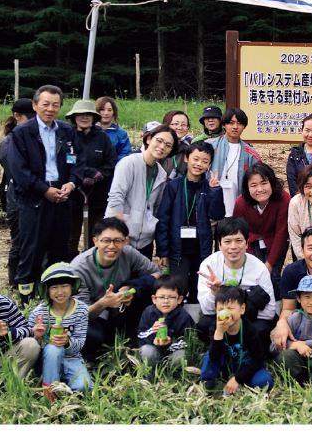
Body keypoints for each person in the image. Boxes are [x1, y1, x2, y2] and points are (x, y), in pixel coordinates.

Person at [7, 84, 82, 304]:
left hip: (62, 195)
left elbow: (77, 161)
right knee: (31, 249)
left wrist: (72, 183)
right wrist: (44, 190)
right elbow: (19, 171)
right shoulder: (22, 133)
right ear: (35, 105)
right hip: (34, 198)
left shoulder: (66, 131)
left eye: (55, 105)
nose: (50, 109)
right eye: (46, 104)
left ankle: (55, 297)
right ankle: (25, 299)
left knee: (60, 249)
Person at [70, 217, 161, 361]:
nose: (111, 246)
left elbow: (158, 274)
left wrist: (132, 287)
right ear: (95, 241)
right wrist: (103, 303)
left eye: (117, 241)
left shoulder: (129, 253)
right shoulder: (79, 268)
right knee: (92, 336)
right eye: (106, 241)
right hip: (94, 314)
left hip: (122, 307)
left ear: (125, 241)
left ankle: (137, 342)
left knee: (153, 290)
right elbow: (80, 315)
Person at [154, 141, 225, 303]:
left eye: (205, 161)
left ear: (209, 164)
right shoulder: (173, 186)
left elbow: (217, 214)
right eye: (196, 159)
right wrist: (163, 251)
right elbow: (163, 219)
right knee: (178, 287)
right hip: (177, 249)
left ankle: (194, 326)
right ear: (186, 158)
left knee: (198, 288)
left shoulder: (208, 187)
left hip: (201, 247)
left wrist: (215, 191)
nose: (199, 164)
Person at [196, 217, 276, 346]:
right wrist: (214, 292)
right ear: (219, 244)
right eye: (227, 241)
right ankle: (220, 352)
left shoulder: (259, 268)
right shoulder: (209, 265)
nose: (233, 247)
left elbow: (269, 312)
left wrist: (238, 316)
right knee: (204, 325)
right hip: (221, 316)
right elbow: (207, 310)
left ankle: (248, 355)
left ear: (247, 243)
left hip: (248, 317)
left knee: (261, 329)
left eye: (239, 241)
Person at [106, 123, 178, 259]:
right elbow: (116, 197)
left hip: (145, 240)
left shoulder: (161, 174)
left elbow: (156, 207)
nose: (162, 147)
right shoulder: (129, 163)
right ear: (149, 138)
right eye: (159, 141)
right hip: (121, 237)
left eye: (168, 145)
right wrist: (116, 233)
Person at [28, 263, 91, 399]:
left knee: (83, 386)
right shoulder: (39, 313)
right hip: (47, 359)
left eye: (64, 286)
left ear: (72, 287)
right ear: (47, 291)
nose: (60, 292)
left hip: (72, 358)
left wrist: (67, 342)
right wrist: (38, 337)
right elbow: (31, 347)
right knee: (54, 348)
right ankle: (50, 389)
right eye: (54, 288)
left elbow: (80, 343)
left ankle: (66, 383)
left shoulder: (82, 310)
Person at [65, 99, 117, 258]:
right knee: (71, 235)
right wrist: (82, 174)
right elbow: (67, 160)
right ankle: (70, 264)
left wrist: (99, 175)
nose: (84, 118)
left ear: (94, 117)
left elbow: (111, 162)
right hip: (73, 194)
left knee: (95, 234)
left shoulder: (102, 138)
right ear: (74, 117)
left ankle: (91, 262)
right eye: (80, 115)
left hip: (97, 195)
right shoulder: (68, 137)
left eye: (88, 115)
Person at [233, 163, 291, 300]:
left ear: (272, 182)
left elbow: (281, 233)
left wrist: (269, 264)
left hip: (275, 242)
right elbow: (239, 233)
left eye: (264, 183)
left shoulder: (284, 199)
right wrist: (250, 259)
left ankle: (276, 310)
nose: (259, 189)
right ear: (247, 188)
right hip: (251, 244)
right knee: (252, 277)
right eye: (253, 185)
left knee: (273, 276)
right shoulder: (241, 203)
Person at [201, 286, 273, 393]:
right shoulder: (215, 328)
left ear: (242, 309)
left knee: (265, 381)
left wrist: (237, 378)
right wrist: (219, 333)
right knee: (208, 362)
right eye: (221, 309)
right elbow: (213, 356)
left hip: (244, 365)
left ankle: (244, 382)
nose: (226, 313)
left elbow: (258, 359)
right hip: (224, 364)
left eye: (230, 308)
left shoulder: (250, 330)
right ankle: (210, 382)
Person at [0, 97, 36, 289]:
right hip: (16, 196)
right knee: (19, 241)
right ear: (16, 116)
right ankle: (14, 282)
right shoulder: (10, 141)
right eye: (27, 118)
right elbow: (15, 171)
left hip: (34, 195)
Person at [206, 107, 263, 215]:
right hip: (211, 205)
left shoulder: (251, 153)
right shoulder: (210, 146)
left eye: (239, 123)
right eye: (231, 123)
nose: (235, 127)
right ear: (224, 124)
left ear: (244, 126)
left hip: (240, 208)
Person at [137, 274, 195, 376]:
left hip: (173, 351)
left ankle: (174, 376)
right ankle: (150, 374)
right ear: (154, 299)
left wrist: (169, 342)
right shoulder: (148, 312)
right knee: (147, 351)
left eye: (171, 297)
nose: (166, 301)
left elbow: (187, 341)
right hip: (153, 349)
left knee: (180, 357)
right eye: (162, 297)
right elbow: (140, 336)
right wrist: (152, 333)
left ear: (179, 299)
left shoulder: (183, 316)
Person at [95, 96, 133, 161]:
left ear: (114, 112)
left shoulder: (121, 134)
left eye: (109, 110)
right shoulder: (89, 130)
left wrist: (110, 162)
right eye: (102, 109)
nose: (106, 113)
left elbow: (125, 155)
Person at [159, 110, 192, 177]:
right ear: (166, 125)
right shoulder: (157, 146)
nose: (180, 128)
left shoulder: (190, 147)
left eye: (183, 125)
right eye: (176, 124)